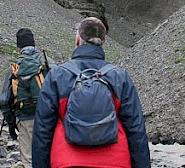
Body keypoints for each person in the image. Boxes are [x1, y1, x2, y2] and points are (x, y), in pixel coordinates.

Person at [32, 17, 150, 168]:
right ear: (103, 42)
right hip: (115, 162)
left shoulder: (56, 76)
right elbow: (136, 131)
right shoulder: (120, 77)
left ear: (77, 40)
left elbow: (42, 131)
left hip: (66, 161)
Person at [0, 28, 51, 168]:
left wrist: (11, 123)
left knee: (28, 159)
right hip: (47, 117)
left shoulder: (15, 67)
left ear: (18, 47)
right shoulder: (46, 62)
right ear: (34, 44)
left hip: (25, 117)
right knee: (48, 156)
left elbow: (4, 99)